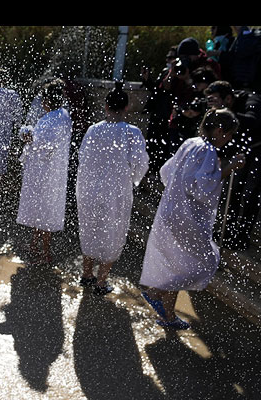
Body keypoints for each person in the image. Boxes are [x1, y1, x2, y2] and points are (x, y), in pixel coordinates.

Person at [140, 108, 245, 330]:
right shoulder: (207, 151)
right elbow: (202, 186)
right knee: (203, 263)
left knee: (179, 263)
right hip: (186, 217)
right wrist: (229, 168)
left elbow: (166, 172)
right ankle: (155, 291)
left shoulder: (190, 142)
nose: (228, 140)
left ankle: (168, 315)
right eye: (228, 135)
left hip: (170, 210)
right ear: (219, 130)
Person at [76, 82, 150, 295]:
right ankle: (101, 282)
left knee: (89, 229)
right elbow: (140, 163)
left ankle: (86, 274)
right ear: (126, 108)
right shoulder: (132, 133)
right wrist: (132, 180)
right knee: (112, 233)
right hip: (116, 193)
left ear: (106, 107)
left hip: (90, 190)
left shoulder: (93, 130)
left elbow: (83, 159)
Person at [16, 78, 72, 265]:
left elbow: (41, 147)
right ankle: (34, 244)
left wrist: (28, 137)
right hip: (53, 172)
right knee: (43, 209)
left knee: (45, 211)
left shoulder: (50, 120)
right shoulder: (63, 115)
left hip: (45, 174)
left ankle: (45, 253)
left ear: (47, 102)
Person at [204, 80, 261, 250]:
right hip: (242, 148)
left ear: (228, 99)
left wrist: (225, 112)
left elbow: (252, 122)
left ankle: (242, 236)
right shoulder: (224, 105)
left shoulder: (252, 100)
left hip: (258, 149)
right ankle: (226, 232)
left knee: (250, 194)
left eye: (216, 100)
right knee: (233, 190)